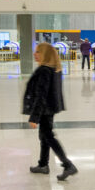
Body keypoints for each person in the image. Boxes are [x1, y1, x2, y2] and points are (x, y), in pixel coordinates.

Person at [22, 42, 78, 181]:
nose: (35, 54)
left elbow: (41, 95)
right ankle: (43, 165)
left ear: (45, 54)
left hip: (44, 109)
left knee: (48, 136)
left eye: (38, 52)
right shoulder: (54, 69)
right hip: (49, 108)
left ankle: (67, 164)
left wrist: (34, 116)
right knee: (44, 136)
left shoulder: (44, 71)